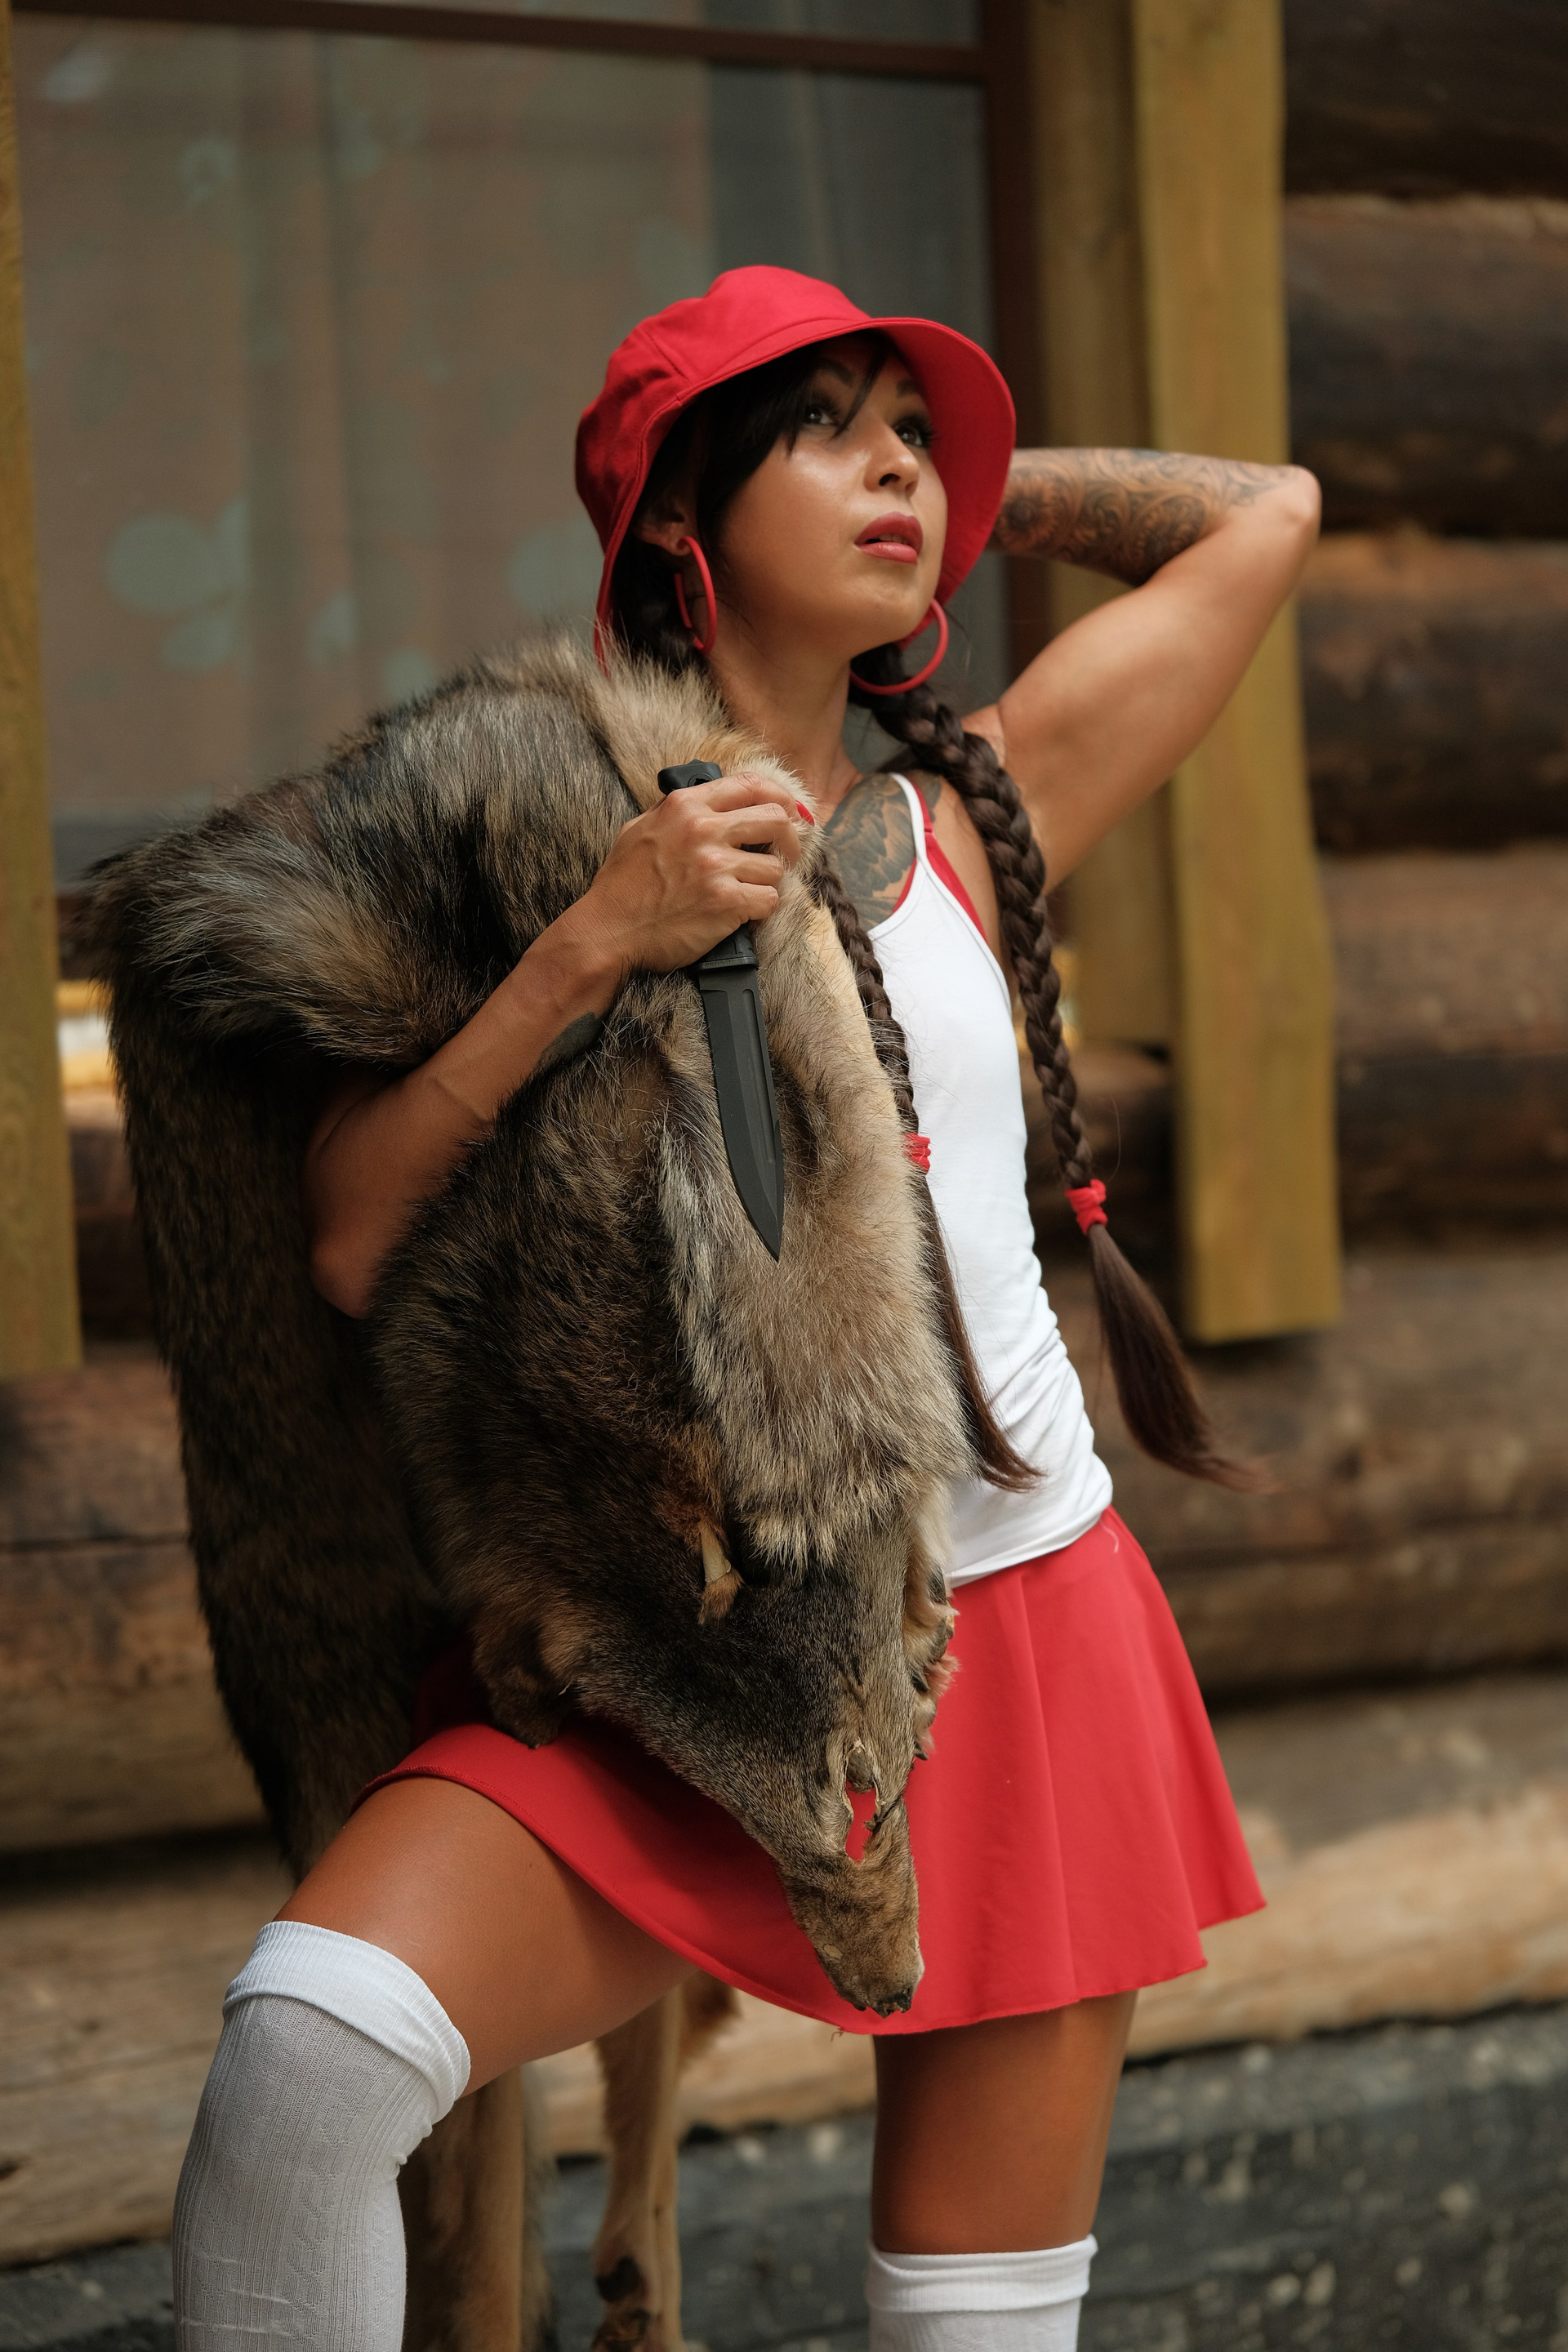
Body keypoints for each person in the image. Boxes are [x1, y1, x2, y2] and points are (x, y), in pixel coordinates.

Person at [172, 268, 1319, 2352]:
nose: (897, 466)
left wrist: (960, 493)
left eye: (915, 431)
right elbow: (346, 1238)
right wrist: (592, 944)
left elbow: (1270, 516)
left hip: (1026, 1628)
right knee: (309, 2063)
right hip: (696, 1647)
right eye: (830, 429)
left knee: (972, 2324)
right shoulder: (535, 832)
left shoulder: (966, 816)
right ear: (688, 524)